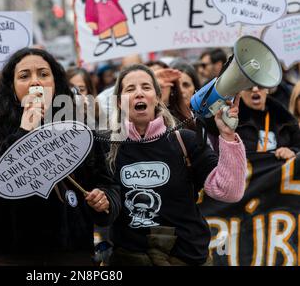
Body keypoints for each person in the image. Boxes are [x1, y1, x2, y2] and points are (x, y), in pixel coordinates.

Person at [0, 48, 120, 266]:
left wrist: (104, 199)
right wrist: (23, 132)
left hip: (71, 253)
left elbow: (106, 182)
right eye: (24, 76)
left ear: (55, 82)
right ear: (11, 85)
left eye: (43, 74)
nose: (35, 82)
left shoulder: (77, 124)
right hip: (14, 255)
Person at [105, 64, 246, 266]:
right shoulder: (108, 147)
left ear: (158, 97)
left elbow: (229, 192)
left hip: (187, 257)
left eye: (146, 87)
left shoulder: (185, 140)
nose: (139, 94)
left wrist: (227, 135)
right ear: (119, 102)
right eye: (130, 89)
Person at [237, 86, 300, 159]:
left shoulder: (286, 120)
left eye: (260, 85)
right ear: (240, 91)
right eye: (249, 86)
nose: (255, 89)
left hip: (276, 169)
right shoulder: (230, 118)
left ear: (267, 89)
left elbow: (297, 147)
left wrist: (292, 151)